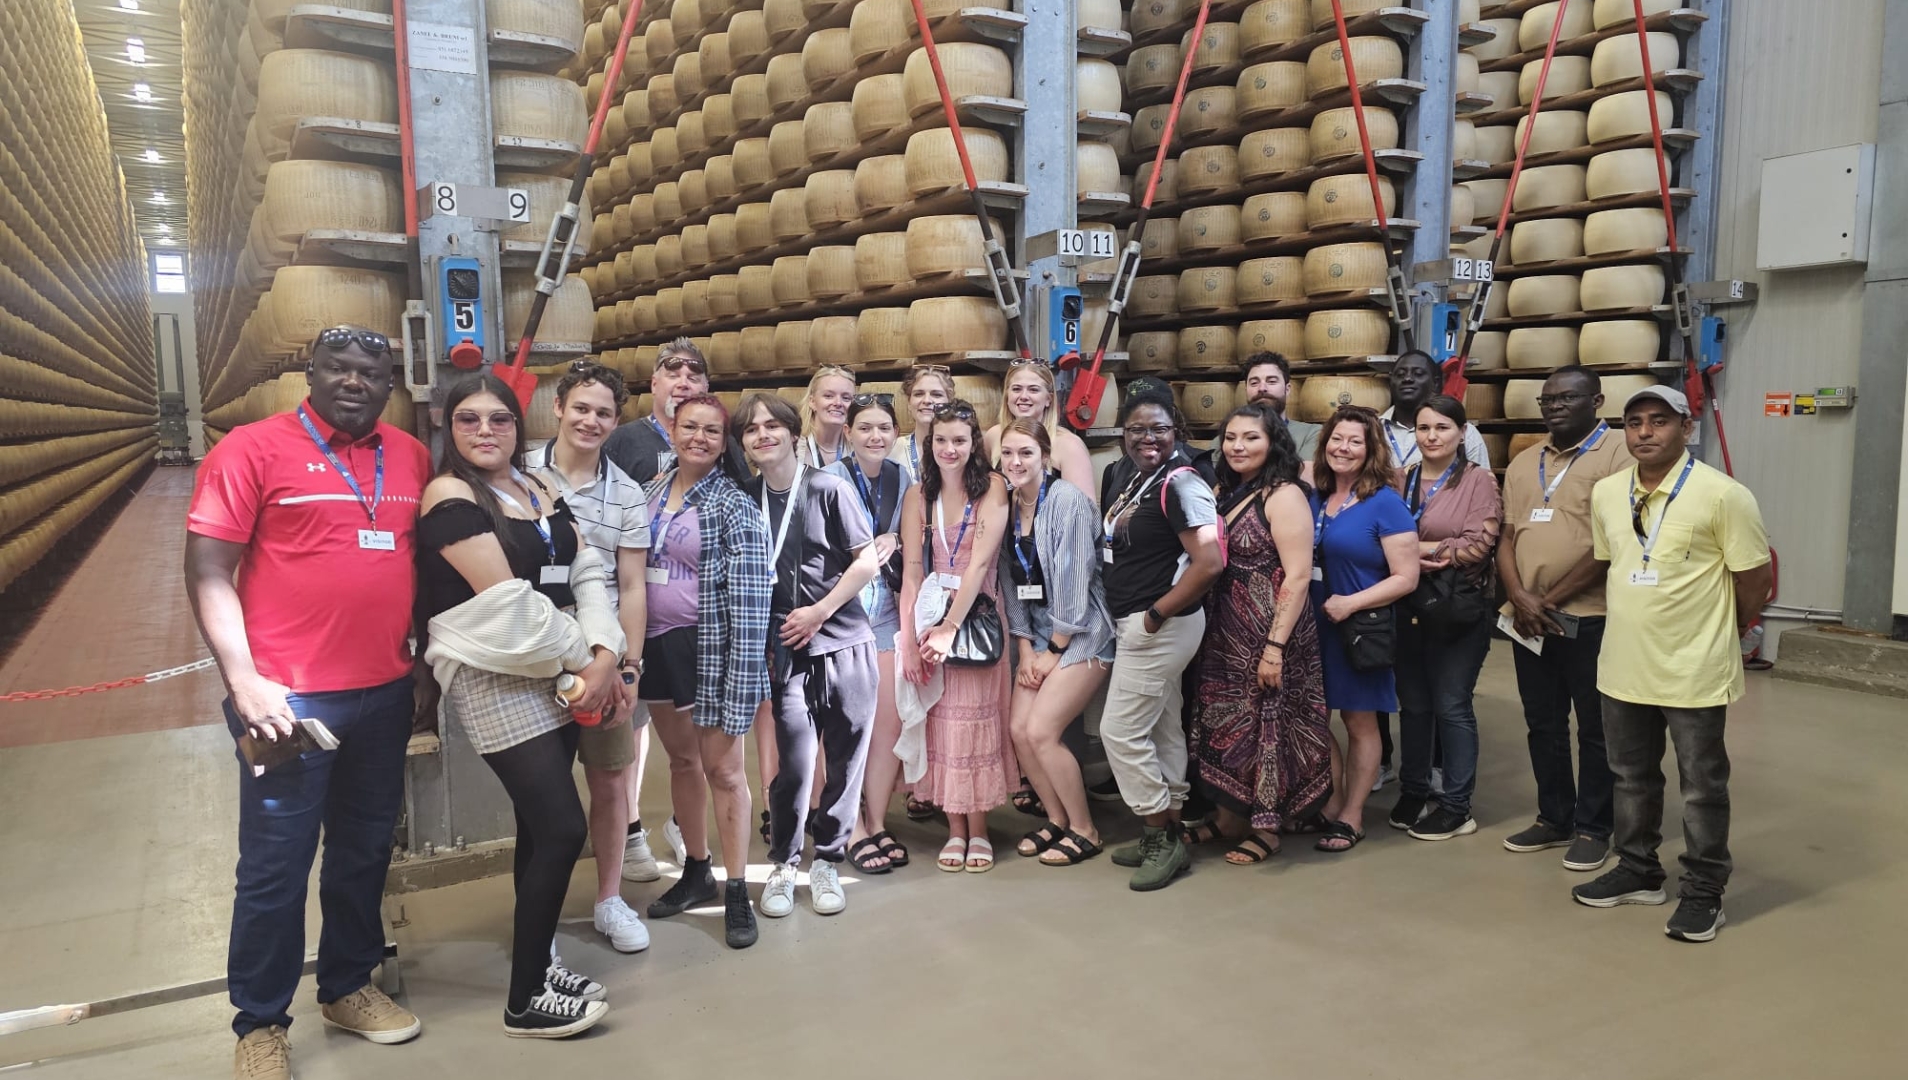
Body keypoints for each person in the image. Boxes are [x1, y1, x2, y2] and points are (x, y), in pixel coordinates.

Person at [187, 326, 430, 1079]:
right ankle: (259, 1023)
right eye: (338, 368)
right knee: (275, 866)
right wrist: (244, 680)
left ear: (390, 381)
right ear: (310, 373)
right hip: (289, 700)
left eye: (370, 371)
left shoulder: (409, 455)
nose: (354, 381)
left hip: (384, 692)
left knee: (361, 852)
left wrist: (415, 664)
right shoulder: (251, 450)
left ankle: (347, 985)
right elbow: (208, 570)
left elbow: (412, 566)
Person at [416, 374, 626, 1038]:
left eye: (499, 419)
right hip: (497, 674)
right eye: (469, 420)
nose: (485, 431)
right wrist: (591, 664)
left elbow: (587, 569)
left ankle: (539, 963)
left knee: (540, 829)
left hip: (558, 665)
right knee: (564, 828)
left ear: (518, 425)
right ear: (448, 429)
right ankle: (524, 1000)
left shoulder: (536, 486)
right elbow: (512, 610)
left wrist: (604, 650)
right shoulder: (449, 497)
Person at [1569, 385, 1771, 944]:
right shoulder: (1609, 492)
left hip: (1695, 668)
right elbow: (1615, 565)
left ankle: (1704, 893)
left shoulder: (1724, 495)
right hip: (1624, 666)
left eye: (1659, 421)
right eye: (1634, 423)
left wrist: (1724, 634)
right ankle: (1638, 870)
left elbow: (1755, 580)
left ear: (1686, 427)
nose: (1645, 432)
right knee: (1630, 777)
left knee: (1702, 785)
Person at [734, 393, 883, 919]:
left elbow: (867, 562)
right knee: (793, 761)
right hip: (787, 652)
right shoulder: (744, 498)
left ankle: (828, 858)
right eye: (752, 430)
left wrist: (820, 610)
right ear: (745, 443)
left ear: (794, 433)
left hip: (844, 641)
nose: (763, 435)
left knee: (846, 759)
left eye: (772, 425)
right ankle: (783, 861)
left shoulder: (828, 488)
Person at [636, 394, 774, 949]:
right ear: (670, 427)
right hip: (657, 647)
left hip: (709, 651)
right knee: (683, 762)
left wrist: (741, 686)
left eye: (711, 431)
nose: (698, 437)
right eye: (688, 426)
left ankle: (736, 887)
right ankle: (696, 868)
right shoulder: (649, 491)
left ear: (725, 442)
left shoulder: (732, 505)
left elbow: (750, 608)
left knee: (725, 773)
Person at [526, 360, 654, 952]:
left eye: (604, 412)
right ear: (558, 408)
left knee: (609, 784)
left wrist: (629, 667)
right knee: (541, 792)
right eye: (581, 407)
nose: (591, 420)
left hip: (601, 657)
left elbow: (632, 587)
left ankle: (609, 899)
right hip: (531, 657)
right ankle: (541, 916)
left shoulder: (627, 493)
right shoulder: (519, 475)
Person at [600, 338, 740, 873]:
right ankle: (631, 830)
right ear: (653, 384)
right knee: (631, 731)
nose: (682, 378)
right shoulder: (625, 442)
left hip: (693, 628)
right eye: (670, 369)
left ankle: (689, 835)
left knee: (703, 752)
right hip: (633, 617)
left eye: (694, 372)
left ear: (704, 390)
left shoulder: (717, 446)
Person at [1496, 367, 1632, 872]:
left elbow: (1612, 542)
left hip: (1589, 617)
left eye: (1568, 397)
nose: (1554, 405)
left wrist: (1548, 598)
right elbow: (1506, 536)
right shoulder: (1524, 460)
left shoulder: (1617, 453)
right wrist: (1517, 594)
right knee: (1543, 723)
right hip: (1527, 621)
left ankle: (1595, 827)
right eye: (1547, 398)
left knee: (1596, 728)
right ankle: (1553, 817)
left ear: (1596, 399)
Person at [1185, 403, 1331, 864]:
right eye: (1230, 438)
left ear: (1273, 443)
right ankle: (1230, 817)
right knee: (1227, 726)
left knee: (1268, 726)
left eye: (1250, 438)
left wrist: (1274, 648)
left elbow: (1299, 575)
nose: (1238, 446)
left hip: (1270, 633)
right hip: (1226, 633)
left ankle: (1267, 829)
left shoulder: (1283, 494)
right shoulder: (1227, 489)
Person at [1098, 380, 1224, 890]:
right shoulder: (1136, 476)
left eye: (1159, 429)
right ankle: (1168, 830)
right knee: (1161, 727)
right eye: (1136, 430)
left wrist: (1155, 614)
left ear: (1177, 430)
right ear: (1123, 433)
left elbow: (1209, 560)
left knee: (1120, 731)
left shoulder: (1183, 482)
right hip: (1145, 622)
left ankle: (1156, 832)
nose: (1147, 438)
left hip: (1159, 627)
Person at [898, 399, 1015, 873]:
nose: (950, 449)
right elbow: (910, 570)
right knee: (941, 723)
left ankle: (980, 830)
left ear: (974, 445)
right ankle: (955, 829)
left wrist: (951, 627)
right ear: (931, 445)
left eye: (960, 440)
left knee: (974, 723)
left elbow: (981, 562)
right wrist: (910, 637)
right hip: (929, 613)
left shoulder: (993, 489)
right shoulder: (916, 496)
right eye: (941, 440)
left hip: (976, 615)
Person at [996, 419, 1116, 866]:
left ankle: (1086, 829)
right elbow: (1010, 580)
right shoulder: (1008, 505)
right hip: (1040, 636)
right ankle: (1057, 819)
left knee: (1042, 732)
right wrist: (1025, 646)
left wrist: (1053, 650)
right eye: (1008, 453)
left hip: (1083, 631)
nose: (1015, 462)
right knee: (1018, 732)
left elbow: (1074, 582)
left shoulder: (1066, 501)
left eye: (1026, 453)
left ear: (1045, 457)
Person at [1391, 395, 1503, 842]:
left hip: (1458, 609)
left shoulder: (1479, 482)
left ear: (1462, 433)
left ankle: (1457, 806)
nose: (1432, 436)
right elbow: (1379, 536)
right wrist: (1431, 550)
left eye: (1442, 428)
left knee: (1452, 705)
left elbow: (1479, 545)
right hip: (1408, 606)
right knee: (1414, 706)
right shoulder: (1400, 480)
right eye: (1423, 429)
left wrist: (1414, 551)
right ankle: (1415, 788)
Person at [1308, 405, 1420, 852]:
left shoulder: (1385, 503)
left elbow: (1406, 577)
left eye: (1356, 441)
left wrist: (1351, 603)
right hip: (1310, 624)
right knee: (1315, 717)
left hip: (1356, 627)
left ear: (1371, 449)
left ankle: (1352, 814)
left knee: (1359, 721)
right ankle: (1332, 802)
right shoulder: (1314, 495)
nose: (1344, 448)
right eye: (1337, 439)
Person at [830, 393, 916, 873]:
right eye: (865, 427)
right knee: (846, 723)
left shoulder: (902, 478)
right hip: (843, 611)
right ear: (848, 432)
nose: (875, 436)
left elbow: (915, 533)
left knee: (888, 723)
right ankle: (851, 827)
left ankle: (878, 820)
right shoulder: (829, 479)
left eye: (884, 427)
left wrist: (898, 538)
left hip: (885, 609)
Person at [603, 337, 748, 484]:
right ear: (654, 384)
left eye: (693, 379)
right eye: (673, 376)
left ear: (705, 389)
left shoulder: (720, 443)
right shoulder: (619, 442)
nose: (683, 384)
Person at [983, 359, 1099, 503]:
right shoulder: (993, 436)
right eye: (1016, 389)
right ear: (1007, 396)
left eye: (1033, 389)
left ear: (1048, 399)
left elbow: (1084, 513)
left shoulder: (1069, 445)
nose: (1024, 396)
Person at [1379, 350, 1491, 469]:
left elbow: (1481, 482)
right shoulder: (1373, 429)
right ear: (1391, 381)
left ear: (1436, 383)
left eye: (1418, 374)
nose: (1407, 379)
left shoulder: (1464, 433)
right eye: (1400, 374)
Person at [1211, 352, 1320, 461]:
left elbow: (1304, 476)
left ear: (1287, 389)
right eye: (1254, 383)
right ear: (1246, 390)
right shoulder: (1226, 440)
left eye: (1271, 381)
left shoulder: (1311, 434)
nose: (1262, 388)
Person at [889, 362, 955, 483]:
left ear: (949, 402)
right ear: (909, 403)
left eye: (936, 394)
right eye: (919, 394)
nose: (927, 400)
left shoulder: (958, 450)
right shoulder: (892, 449)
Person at [796, 363, 857, 468]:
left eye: (846, 398)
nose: (838, 403)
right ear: (812, 401)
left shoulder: (858, 449)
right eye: (828, 396)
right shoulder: (791, 449)